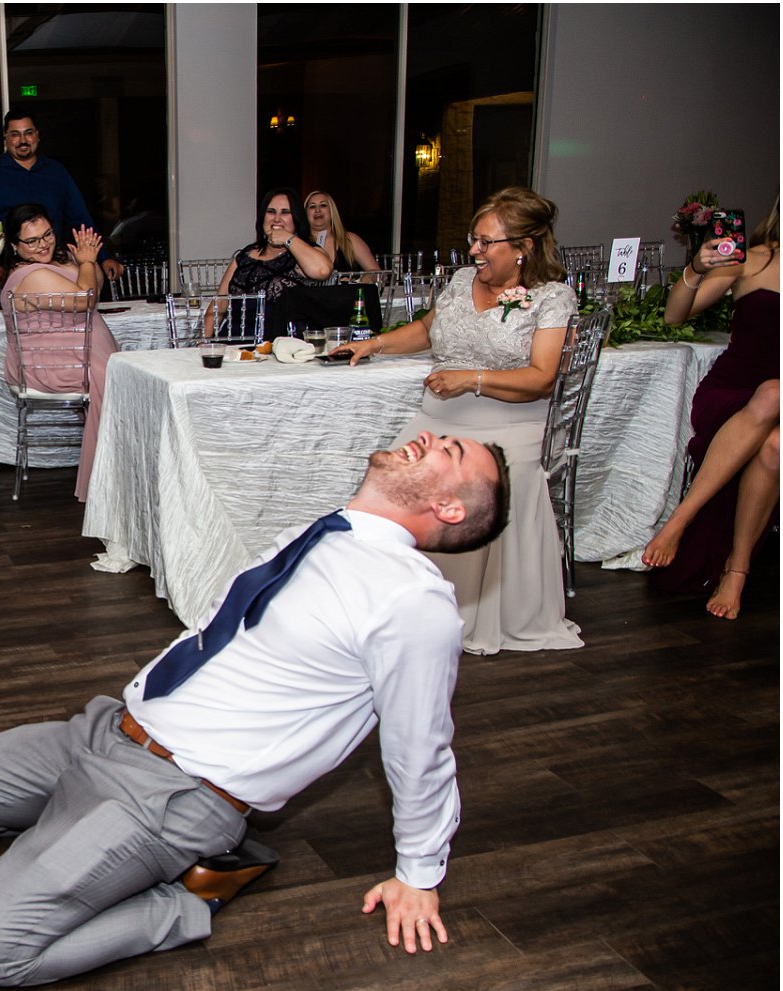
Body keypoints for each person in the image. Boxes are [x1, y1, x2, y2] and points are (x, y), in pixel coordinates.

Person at [0, 431, 509, 987]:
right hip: (107, 732)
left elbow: (419, 748)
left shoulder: (413, 602)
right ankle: (77, 839)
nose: (430, 438)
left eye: (451, 451)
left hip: (172, 796)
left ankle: (193, 896)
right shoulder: (325, 533)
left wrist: (419, 875)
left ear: (448, 508)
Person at [321, 187, 581, 654]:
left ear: (523, 247)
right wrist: (373, 344)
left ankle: (462, 612)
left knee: (472, 481)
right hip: (439, 418)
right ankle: (389, 605)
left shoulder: (552, 298)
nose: (474, 251)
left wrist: (471, 380)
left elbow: (543, 378)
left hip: (510, 424)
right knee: (391, 478)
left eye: (486, 242)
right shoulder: (462, 281)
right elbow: (426, 330)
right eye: (473, 239)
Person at [641, 212, 778, 615]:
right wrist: (696, 269)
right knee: (773, 398)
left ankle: (735, 569)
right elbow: (674, 316)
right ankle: (685, 525)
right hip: (732, 391)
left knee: (776, 440)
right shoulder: (751, 260)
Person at [0, 203, 119, 501]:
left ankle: (118, 467)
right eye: (32, 241)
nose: (43, 244)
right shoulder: (30, 275)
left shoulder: (56, 261)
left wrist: (87, 261)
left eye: (47, 234)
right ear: (14, 246)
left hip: (75, 356)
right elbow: (86, 300)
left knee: (124, 374)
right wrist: (86, 263)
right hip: (50, 364)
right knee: (115, 378)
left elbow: (96, 288)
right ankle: (108, 480)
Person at [0, 111, 98, 255]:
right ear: (6, 138)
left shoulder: (56, 171)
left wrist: (102, 258)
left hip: (53, 260)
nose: (23, 140)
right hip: (7, 263)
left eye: (28, 133)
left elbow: (79, 219)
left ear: (37, 135)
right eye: (15, 134)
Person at [302, 190, 381, 275]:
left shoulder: (350, 240)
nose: (317, 210)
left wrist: (353, 281)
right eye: (312, 206)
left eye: (323, 205)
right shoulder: (300, 243)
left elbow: (376, 272)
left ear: (332, 211)